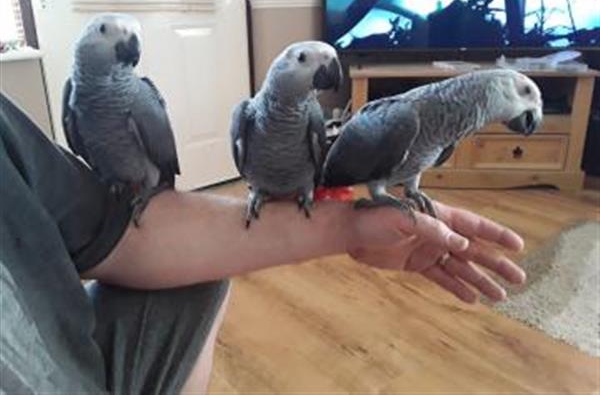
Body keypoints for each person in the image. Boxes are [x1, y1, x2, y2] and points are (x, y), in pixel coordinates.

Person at [0, 92, 526, 394]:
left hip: (81, 369)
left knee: (196, 276)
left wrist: (349, 225)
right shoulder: (256, 117)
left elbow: (118, 236)